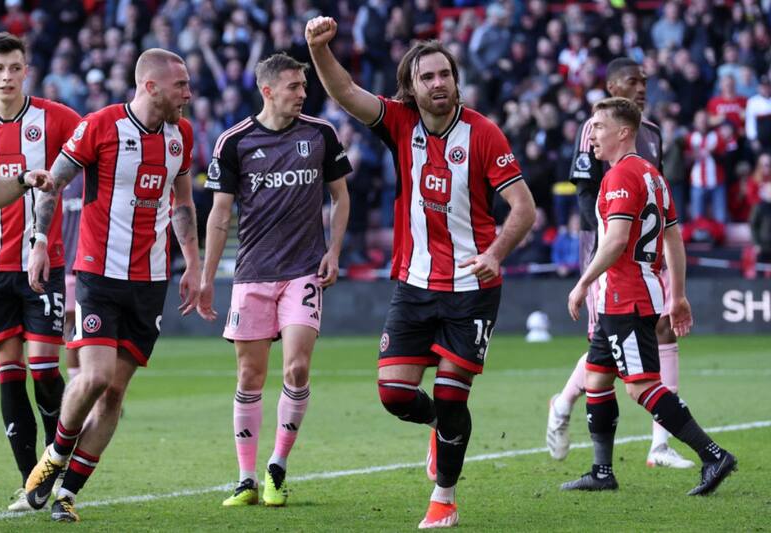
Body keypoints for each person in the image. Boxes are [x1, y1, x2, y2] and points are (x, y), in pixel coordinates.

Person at [306, 17, 536, 529]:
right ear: (410, 88)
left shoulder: (483, 132)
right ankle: (439, 426)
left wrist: (496, 252)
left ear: (456, 80)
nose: (438, 84)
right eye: (427, 77)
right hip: (414, 284)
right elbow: (344, 91)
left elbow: (523, 207)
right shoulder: (399, 122)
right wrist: (318, 49)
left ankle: (444, 497)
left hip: (473, 288)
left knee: (454, 394)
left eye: (445, 75)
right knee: (394, 395)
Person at [23, 48, 201, 522]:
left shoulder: (181, 134)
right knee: (96, 376)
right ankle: (54, 459)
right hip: (99, 273)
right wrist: (40, 241)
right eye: (180, 85)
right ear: (151, 86)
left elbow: (182, 202)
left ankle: (67, 493)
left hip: (151, 280)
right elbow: (53, 183)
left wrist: (195, 264)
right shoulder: (100, 125)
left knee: (116, 393)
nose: (188, 93)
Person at [562, 96, 736, 496]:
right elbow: (673, 239)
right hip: (628, 295)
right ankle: (602, 471)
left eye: (599, 127)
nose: (592, 136)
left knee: (641, 387)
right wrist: (678, 295)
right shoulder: (653, 176)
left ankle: (713, 455)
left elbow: (617, 239)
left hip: (627, 295)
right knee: (597, 378)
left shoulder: (620, 177)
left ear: (624, 132)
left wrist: (583, 281)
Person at [198, 52, 351, 508]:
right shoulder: (234, 141)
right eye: (294, 87)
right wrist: (207, 277)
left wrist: (334, 251)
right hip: (252, 273)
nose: (303, 94)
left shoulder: (320, 134)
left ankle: (277, 469)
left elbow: (340, 198)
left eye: (303, 87)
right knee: (250, 374)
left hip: (304, 270)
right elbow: (219, 216)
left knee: (297, 368)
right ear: (267, 91)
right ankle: (246, 478)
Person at [547, 57, 695, 470]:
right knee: (605, 343)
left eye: (645, 81)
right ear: (613, 85)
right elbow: (585, 192)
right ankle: (562, 404)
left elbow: (655, 193)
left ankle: (659, 445)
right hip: (606, 246)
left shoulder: (653, 133)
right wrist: (601, 248)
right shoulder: (594, 128)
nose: (643, 87)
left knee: (663, 325)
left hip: (642, 248)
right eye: (634, 81)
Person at [0, 32, 78, 512]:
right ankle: (31, 483)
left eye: (15, 67)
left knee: (43, 368)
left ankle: (56, 462)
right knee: (8, 371)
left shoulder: (56, 118)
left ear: (27, 69)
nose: (7, 77)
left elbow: (98, 147)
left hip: (42, 262)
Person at [61, 174, 83, 382]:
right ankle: (77, 384)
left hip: (92, 267)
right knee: (72, 325)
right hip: (68, 267)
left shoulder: (99, 176)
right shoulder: (60, 179)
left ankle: (91, 384)